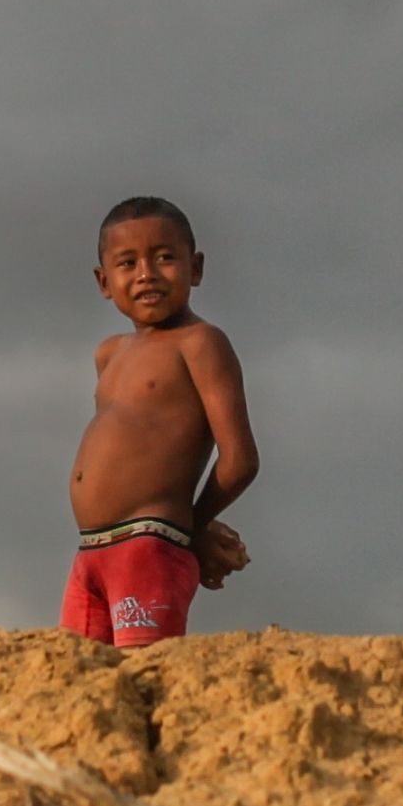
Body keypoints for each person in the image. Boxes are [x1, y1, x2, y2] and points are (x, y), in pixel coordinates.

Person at [61, 194, 257, 649]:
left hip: (149, 549)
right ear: (104, 281)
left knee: (142, 674)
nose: (147, 273)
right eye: (128, 263)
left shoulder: (200, 343)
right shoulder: (109, 354)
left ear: (196, 268)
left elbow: (240, 458)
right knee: (75, 687)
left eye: (165, 257)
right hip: (89, 553)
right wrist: (197, 528)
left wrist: (191, 527)